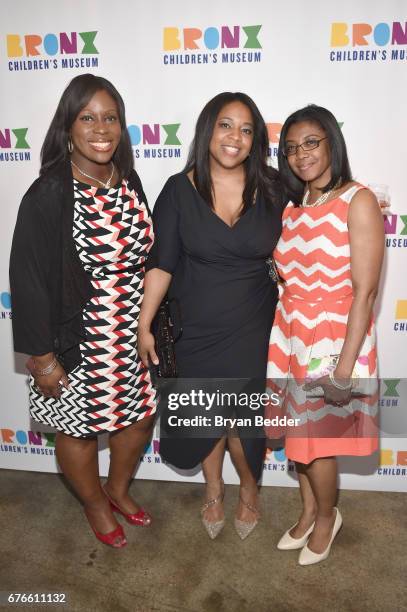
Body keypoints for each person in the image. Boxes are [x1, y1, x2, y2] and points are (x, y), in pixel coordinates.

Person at [9, 74, 157, 548]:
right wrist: (42, 357)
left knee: (137, 418)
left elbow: (147, 254)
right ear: (68, 127)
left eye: (110, 117)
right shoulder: (49, 193)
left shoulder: (127, 179)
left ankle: (116, 488)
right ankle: (95, 504)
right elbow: (27, 279)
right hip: (79, 340)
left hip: (132, 333)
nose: (101, 128)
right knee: (79, 430)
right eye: (87, 117)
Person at [138, 92, 285, 539]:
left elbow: (316, 213)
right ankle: (214, 489)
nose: (234, 137)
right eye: (225, 125)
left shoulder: (275, 187)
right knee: (205, 417)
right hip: (194, 327)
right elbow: (162, 262)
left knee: (242, 422)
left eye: (245, 129)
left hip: (252, 325)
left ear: (255, 140)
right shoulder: (179, 190)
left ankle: (250, 492)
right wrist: (144, 324)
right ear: (208, 130)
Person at [266, 104, 384, 565]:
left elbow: (366, 292)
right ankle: (309, 508)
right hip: (292, 334)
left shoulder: (359, 200)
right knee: (301, 440)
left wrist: (344, 367)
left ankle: (328, 516)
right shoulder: (295, 208)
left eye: (311, 142)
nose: (301, 155)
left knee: (317, 444)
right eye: (292, 148)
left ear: (332, 141)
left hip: (335, 339)